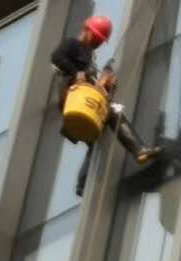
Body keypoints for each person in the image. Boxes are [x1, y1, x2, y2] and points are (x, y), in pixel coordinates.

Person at [51, 15, 161, 193]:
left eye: (100, 41)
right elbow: (57, 57)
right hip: (73, 95)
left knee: (97, 139)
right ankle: (139, 149)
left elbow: (90, 77)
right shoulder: (72, 44)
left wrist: (104, 84)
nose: (98, 43)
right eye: (96, 38)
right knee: (114, 114)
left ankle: (81, 185)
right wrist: (75, 72)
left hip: (85, 98)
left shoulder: (89, 55)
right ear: (86, 30)